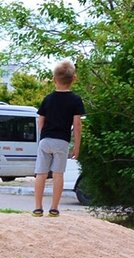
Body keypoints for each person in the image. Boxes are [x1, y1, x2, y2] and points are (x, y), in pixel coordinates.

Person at [33, 60, 85, 218]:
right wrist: (76, 146)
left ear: (54, 79)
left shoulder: (48, 99)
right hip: (62, 141)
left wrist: (43, 135)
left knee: (40, 174)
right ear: (74, 79)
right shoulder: (75, 100)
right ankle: (54, 208)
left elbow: (40, 120)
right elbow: (77, 125)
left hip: (45, 140)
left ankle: (37, 208)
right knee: (58, 174)